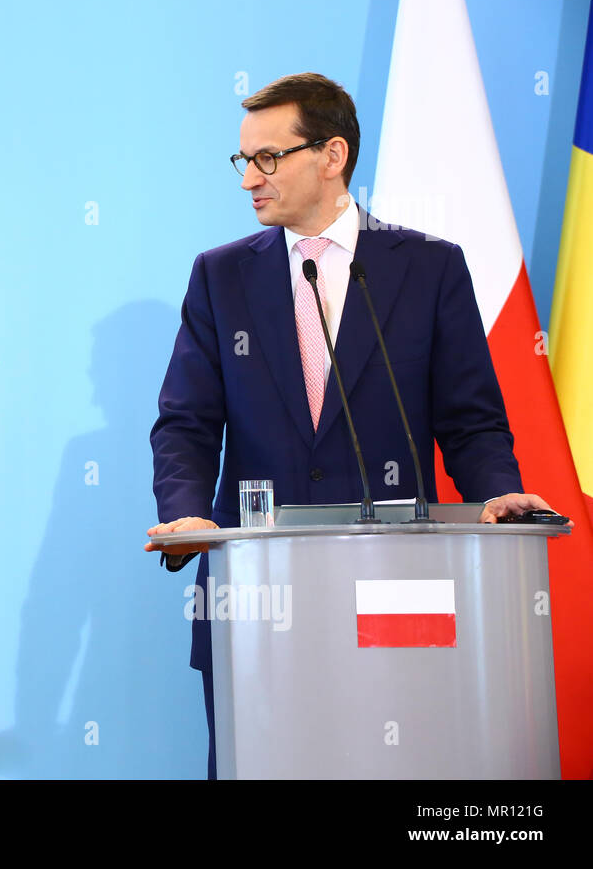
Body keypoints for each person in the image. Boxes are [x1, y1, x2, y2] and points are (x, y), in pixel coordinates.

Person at [145, 73, 551, 779]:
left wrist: (500, 493)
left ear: (333, 155)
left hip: (395, 590)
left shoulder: (428, 268)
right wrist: (184, 514)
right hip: (257, 594)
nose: (249, 179)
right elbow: (186, 423)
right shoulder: (220, 278)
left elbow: (471, 421)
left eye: (269, 158)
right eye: (243, 161)